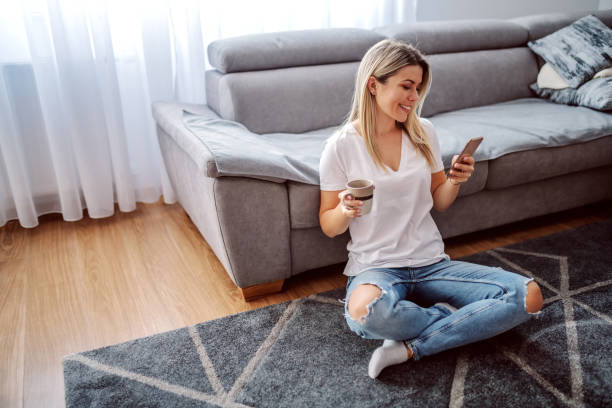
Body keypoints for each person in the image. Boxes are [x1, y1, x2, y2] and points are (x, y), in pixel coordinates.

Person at [318, 39, 543, 379]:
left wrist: (454, 180)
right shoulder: (340, 147)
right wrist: (345, 211)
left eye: (419, 89)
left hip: (430, 262)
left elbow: (440, 200)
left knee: (528, 296)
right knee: (365, 314)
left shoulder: (424, 133)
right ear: (373, 84)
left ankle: (411, 348)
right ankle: (454, 317)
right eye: (406, 86)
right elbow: (328, 225)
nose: (414, 97)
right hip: (376, 267)